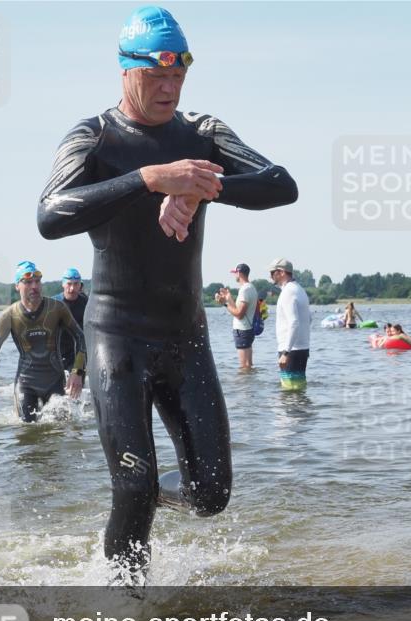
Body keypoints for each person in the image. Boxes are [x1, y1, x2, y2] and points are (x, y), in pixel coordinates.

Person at [36, 6, 297, 583]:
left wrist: (205, 185)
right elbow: (50, 216)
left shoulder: (202, 133)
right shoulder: (94, 135)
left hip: (185, 338)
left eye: (179, 75)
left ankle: (152, 496)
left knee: (210, 494)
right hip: (116, 338)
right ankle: (124, 607)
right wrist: (150, 179)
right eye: (157, 75)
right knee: (131, 484)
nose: (170, 87)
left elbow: (282, 183)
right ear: (125, 70)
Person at [0, 262, 86, 423]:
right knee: (26, 432)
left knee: (59, 433)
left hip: (55, 382)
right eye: (27, 282)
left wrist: (77, 371)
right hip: (26, 383)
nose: (34, 286)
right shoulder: (9, 315)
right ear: (17, 286)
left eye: (37, 281)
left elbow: (80, 337)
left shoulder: (57, 308)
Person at [270, 258, 310, 389]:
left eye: (272, 272)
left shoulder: (288, 292)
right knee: (298, 390)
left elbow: (294, 322)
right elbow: (309, 319)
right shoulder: (299, 289)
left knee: (290, 392)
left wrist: (286, 353)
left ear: (281, 272)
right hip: (301, 348)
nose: (270, 276)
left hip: (291, 350)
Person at [216, 262, 257, 369]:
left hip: (242, 331)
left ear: (239, 273)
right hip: (247, 330)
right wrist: (228, 298)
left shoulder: (245, 289)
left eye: (235, 273)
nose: (235, 275)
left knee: (244, 367)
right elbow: (239, 309)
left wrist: (224, 304)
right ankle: (250, 385)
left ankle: (244, 385)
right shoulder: (251, 287)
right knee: (249, 365)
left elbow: (239, 314)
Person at [52, 267, 89, 375]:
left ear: (80, 285)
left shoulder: (85, 302)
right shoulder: (54, 303)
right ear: (63, 284)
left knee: (78, 386)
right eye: (69, 284)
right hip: (57, 353)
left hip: (78, 353)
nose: (72, 288)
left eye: (76, 284)